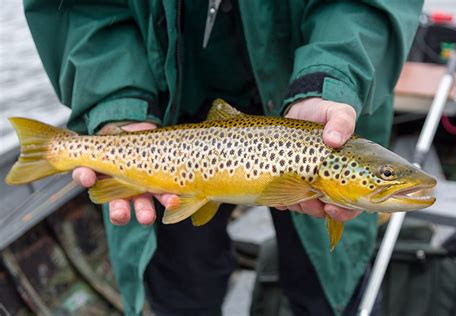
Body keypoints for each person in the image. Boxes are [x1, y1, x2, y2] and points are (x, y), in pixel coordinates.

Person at [23, 1, 423, 315]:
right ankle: (57, 149)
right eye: (385, 173)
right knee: (183, 283)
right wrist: (117, 105)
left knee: (324, 280)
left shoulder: (322, 164)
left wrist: (330, 78)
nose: (391, 178)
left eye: (386, 173)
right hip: (162, 94)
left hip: (312, 88)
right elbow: (82, 12)